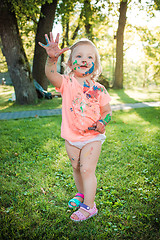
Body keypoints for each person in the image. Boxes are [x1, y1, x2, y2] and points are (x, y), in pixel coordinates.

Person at [39, 32, 112, 222]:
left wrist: (103, 123)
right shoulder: (66, 83)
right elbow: (51, 74)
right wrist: (51, 59)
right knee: (76, 167)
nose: (84, 60)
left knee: (87, 169)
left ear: (96, 64)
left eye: (90, 57)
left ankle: (90, 206)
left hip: (92, 138)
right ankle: (81, 194)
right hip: (71, 137)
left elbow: (107, 111)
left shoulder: (99, 89)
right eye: (79, 56)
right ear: (71, 63)